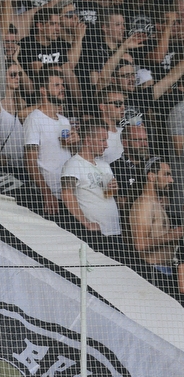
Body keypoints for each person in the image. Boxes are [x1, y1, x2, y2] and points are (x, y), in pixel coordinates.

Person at [60, 119, 123, 258]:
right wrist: (85, 223)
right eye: (102, 140)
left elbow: (108, 194)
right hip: (96, 234)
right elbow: (66, 194)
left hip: (115, 230)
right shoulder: (74, 164)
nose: (106, 145)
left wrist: (114, 188)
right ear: (88, 141)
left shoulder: (104, 165)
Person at [23, 70, 78, 217]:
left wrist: (75, 144)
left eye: (62, 85)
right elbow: (30, 162)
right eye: (56, 85)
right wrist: (46, 193)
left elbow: (72, 156)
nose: (62, 88)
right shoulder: (34, 119)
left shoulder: (64, 121)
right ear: (43, 90)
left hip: (69, 194)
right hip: (48, 196)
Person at [129, 157, 184, 294]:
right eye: (166, 174)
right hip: (152, 272)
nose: (171, 180)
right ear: (151, 176)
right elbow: (140, 244)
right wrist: (173, 235)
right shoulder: (144, 204)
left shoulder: (156, 204)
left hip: (166, 271)